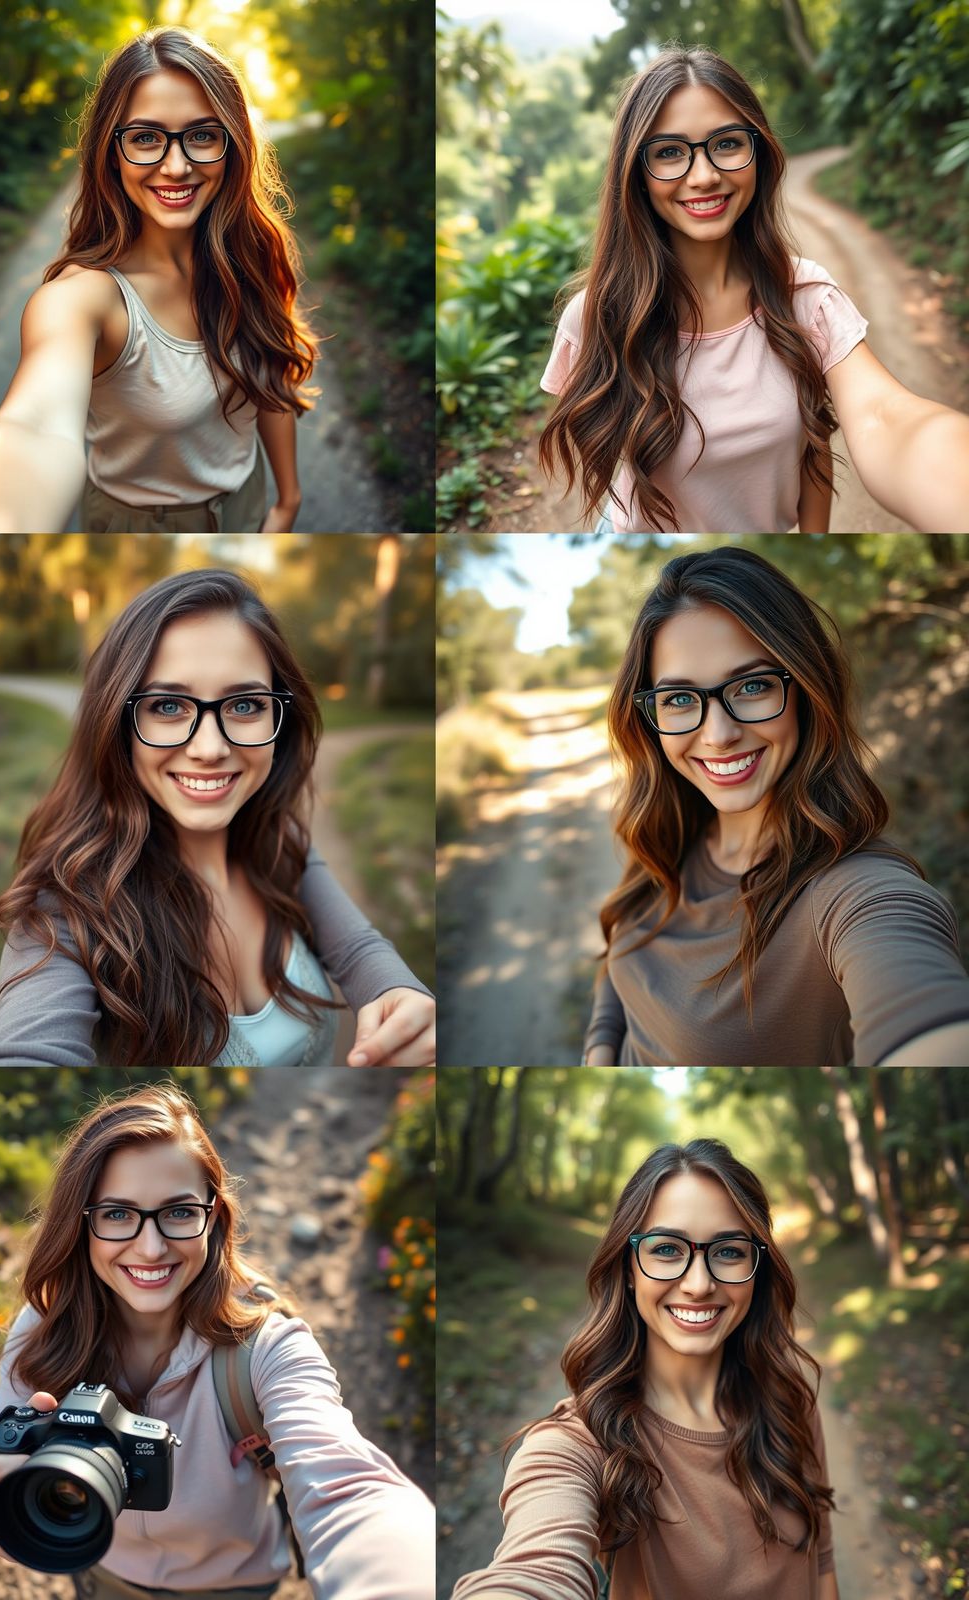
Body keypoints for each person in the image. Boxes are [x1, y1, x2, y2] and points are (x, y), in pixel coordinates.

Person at [0, 567, 434, 1067]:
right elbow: (27, 1051)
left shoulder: (280, 843)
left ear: (279, 717)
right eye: (167, 706)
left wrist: (395, 990)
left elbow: (357, 949)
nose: (210, 748)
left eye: (244, 704)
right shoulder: (64, 911)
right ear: (117, 723)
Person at [0, 1084, 435, 1599]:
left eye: (179, 1212)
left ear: (212, 1218)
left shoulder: (266, 1351)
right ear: (81, 1224)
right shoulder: (42, 1329)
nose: (151, 1248)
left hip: (236, 1589)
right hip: (100, 1579)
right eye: (117, 1214)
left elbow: (348, 1487)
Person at [538, 46, 969, 534]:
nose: (704, 176)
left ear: (758, 152)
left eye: (726, 143)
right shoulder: (597, 317)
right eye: (669, 152)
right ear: (635, 173)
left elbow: (880, 418)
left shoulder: (807, 298)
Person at [0, 26, 316, 534]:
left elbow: (270, 374)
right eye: (146, 138)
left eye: (201, 135)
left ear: (232, 144)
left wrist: (288, 498)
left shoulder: (250, 255)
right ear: (112, 151)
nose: (177, 166)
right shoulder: (83, 299)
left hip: (248, 500)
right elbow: (30, 428)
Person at [581, 546, 969, 1067]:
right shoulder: (670, 835)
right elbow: (622, 966)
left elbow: (924, 1013)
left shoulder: (857, 894)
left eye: (753, 686)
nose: (718, 734)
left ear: (808, 688)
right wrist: (600, 1049)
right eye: (679, 699)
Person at [453, 1138, 838, 1599]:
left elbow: (822, 1565)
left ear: (757, 1269)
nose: (699, 1284)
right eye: (667, 1249)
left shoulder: (790, 1403)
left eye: (729, 1251)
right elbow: (535, 1571)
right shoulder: (580, 1443)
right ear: (629, 1267)